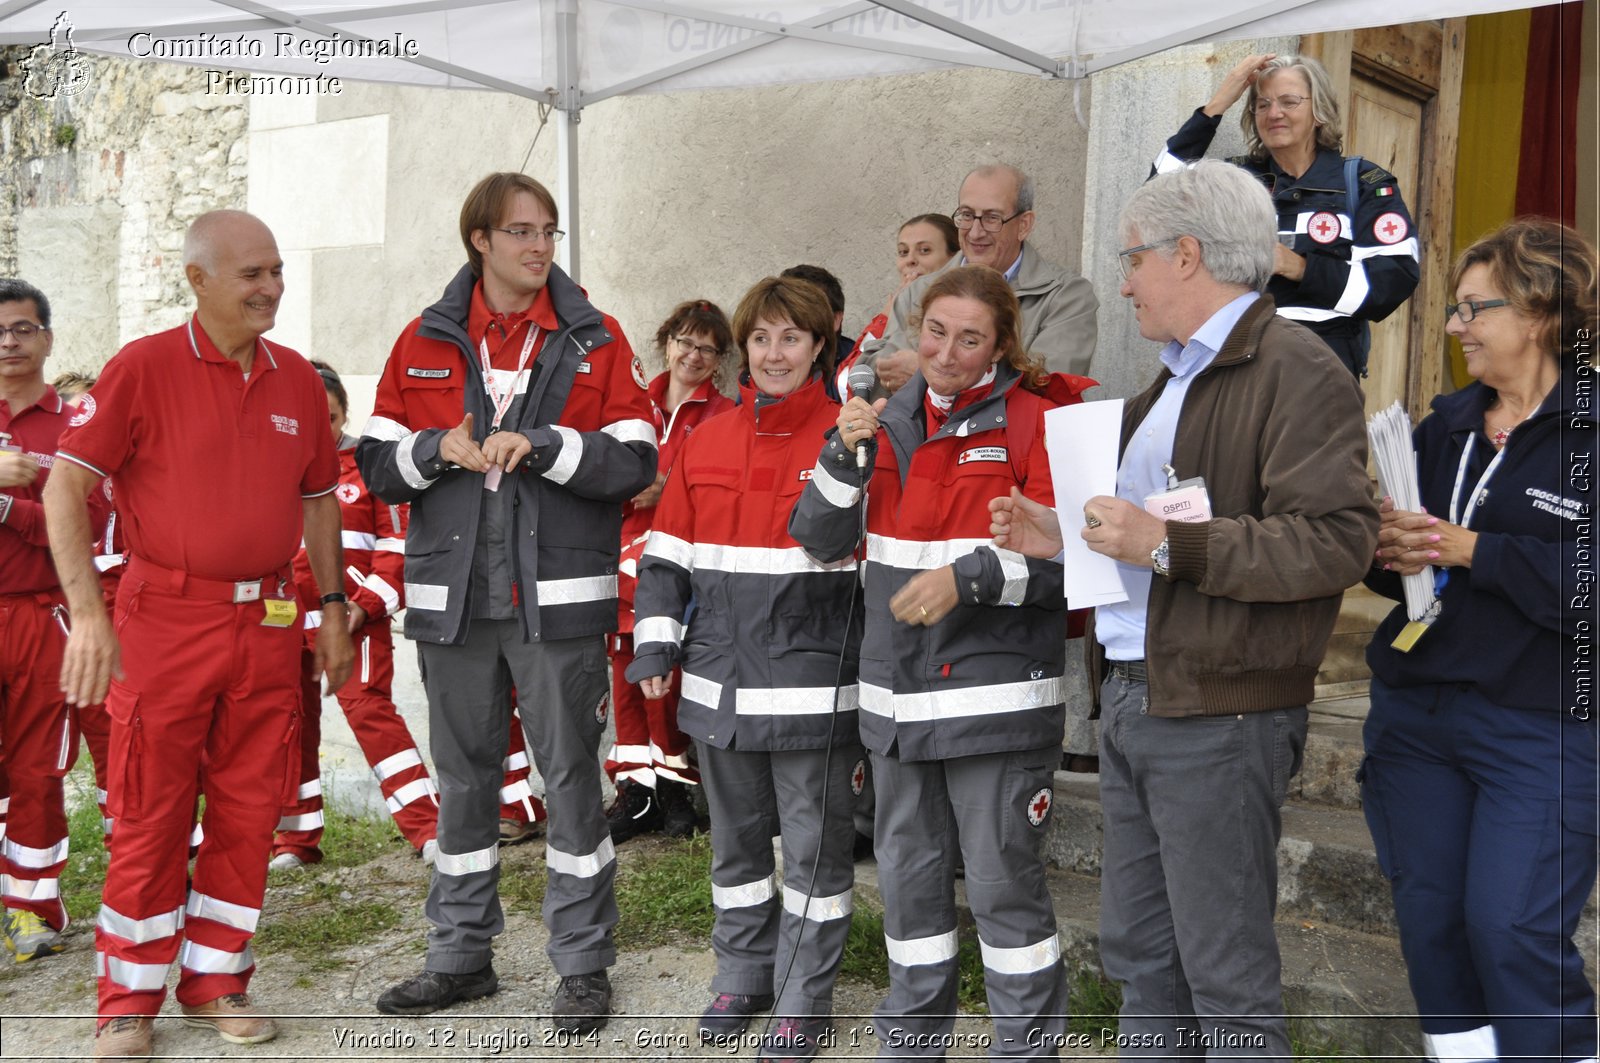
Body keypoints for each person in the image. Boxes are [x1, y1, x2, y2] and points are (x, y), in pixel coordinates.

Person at [990, 160, 1377, 1057]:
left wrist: (1161, 544)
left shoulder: (1299, 370)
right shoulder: (1175, 377)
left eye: (1132, 259)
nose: (1121, 279)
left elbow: (1334, 541)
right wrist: (1066, 533)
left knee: (1224, 973)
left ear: (1188, 254)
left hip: (1222, 709)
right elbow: (1147, 526)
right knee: (1142, 957)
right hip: (1138, 694)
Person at [45, 210, 354, 1059]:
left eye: (277, 271)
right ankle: (127, 1000)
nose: (270, 288)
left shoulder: (295, 378)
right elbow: (66, 489)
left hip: (268, 622)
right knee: (150, 811)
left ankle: (218, 977)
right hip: (165, 621)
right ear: (198, 279)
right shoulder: (142, 367)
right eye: (251, 273)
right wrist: (90, 618)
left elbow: (320, 498)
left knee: (252, 811)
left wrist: (333, 605)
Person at [358, 172, 656, 1030]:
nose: (540, 247)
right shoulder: (425, 336)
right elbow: (375, 458)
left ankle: (582, 964)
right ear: (479, 240)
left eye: (550, 232)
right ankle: (458, 956)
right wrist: (434, 448)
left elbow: (637, 454)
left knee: (569, 782)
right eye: (522, 231)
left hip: (556, 602)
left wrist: (553, 446)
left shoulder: (595, 339)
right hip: (454, 602)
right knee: (463, 783)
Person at [792, 265, 1085, 1058]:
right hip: (896, 707)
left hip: (994, 712)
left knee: (1004, 899)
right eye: (935, 332)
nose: (947, 352)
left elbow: (1076, 569)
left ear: (1000, 345)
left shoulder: (1037, 421)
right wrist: (838, 455)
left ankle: (1027, 1049)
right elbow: (818, 539)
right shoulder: (881, 420)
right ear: (914, 329)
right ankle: (912, 1042)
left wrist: (973, 576)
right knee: (911, 893)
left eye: (970, 338)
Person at [1361, 218, 1598, 1061]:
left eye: (1474, 309)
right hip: (1417, 715)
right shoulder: (1447, 425)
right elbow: (1392, 570)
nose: (1456, 326)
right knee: (1432, 925)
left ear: (1538, 311)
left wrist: (1475, 550)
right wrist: (1387, 550)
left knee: (1510, 928)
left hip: (1543, 723)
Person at [627, 277, 860, 1061]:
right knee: (735, 850)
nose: (774, 353)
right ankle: (743, 971)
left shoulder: (848, 434)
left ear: (820, 346)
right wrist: (656, 645)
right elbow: (667, 554)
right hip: (719, 683)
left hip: (809, 686)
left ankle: (803, 997)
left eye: (791, 338)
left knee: (813, 854)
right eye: (760, 339)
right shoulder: (708, 437)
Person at [1153, 53, 1419, 377]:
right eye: (1262, 105)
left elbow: (1391, 281)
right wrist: (1218, 104)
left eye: (1288, 101)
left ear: (1319, 111)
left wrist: (1300, 267)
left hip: (1320, 371)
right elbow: (1156, 201)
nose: (1274, 113)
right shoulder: (1233, 180)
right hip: (1231, 368)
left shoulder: (1363, 184)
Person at [267, 362, 435, 869]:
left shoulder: (371, 466)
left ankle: (429, 829)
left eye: (331, 415)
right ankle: (295, 841)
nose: (321, 428)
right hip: (280, 623)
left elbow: (398, 546)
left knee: (371, 716)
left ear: (344, 411)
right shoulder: (268, 467)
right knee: (287, 726)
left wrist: (364, 608)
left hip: (351, 620)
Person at [605, 299, 733, 844]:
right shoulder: (632, 404)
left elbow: (708, 488)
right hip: (616, 559)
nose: (693, 354)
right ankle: (636, 790)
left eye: (707, 347)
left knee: (669, 678)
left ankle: (676, 787)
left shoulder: (724, 414)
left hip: (676, 563)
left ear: (720, 358)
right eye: (685, 341)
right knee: (625, 674)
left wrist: (666, 484)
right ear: (666, 342)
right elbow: (603, 472)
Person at [0, 280, 100, 965]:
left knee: (36, 766)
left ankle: (32, 908)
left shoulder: (70, 428)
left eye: (22, 329)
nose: (9, 341)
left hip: (41, 617)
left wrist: (8, 507)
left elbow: (83, 526)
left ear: (47, 338)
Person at [852, 163, 1098, 397]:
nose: (976, 232)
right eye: (967, 215)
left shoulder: (1066, 296)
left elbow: (1049, 388)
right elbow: (878, 379)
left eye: (992, 218)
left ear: (1024, 225)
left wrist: (928, 372)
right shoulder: (918, 292)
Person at [849, 214, 960, 354]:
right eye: (903, 252)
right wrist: (885, 318)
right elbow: (852, 373)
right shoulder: (890, 313)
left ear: (954, 258)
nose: (910, 260)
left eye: (925, 250)